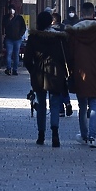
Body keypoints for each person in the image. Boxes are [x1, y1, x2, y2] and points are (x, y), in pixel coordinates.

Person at [65, 2, 96, 148]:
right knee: (94, 104)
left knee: (82, 105)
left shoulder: (74, 31)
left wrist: (69, 72)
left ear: (81, 12)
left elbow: (69, 55)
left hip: (80, 73)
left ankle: (84, 135)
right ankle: (92, 137)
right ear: (93, 13)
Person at [23, 11, 69, 147]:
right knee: (55, 104)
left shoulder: (33, 38)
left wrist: (33, 70)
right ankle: (55, 133)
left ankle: (41, 135)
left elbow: (26, 60)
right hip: (56, 73)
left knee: (41, 105)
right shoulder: (59, 38)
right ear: (51, 22)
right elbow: (66, 56)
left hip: (39, 74)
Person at [3, 5, 26, 75]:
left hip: (17, 39)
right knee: (9, 54)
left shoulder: (19, 18)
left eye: (12, 10)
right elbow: (4, 26)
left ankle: (15, 70)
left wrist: (20, 34)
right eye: (10, 10)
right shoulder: (6, 17)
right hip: (9, 39)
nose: (11, 11)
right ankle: (8, 68)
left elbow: (23, 27)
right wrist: (9, 19)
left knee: (16, 54)